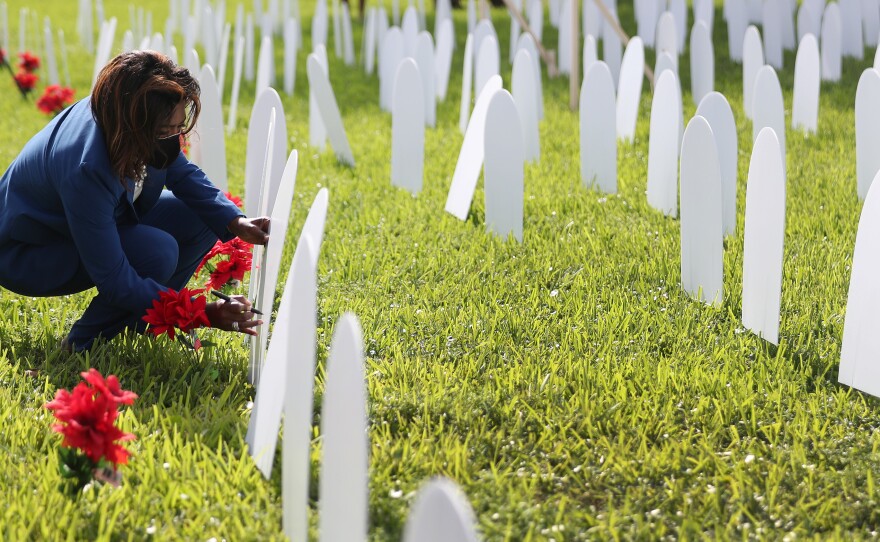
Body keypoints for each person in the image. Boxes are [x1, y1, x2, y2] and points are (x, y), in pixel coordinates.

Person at [0, 50, 270, 351]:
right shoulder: (87, 167)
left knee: (202, 218)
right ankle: (81, 344)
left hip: (89, 219)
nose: (174, 138)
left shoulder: (122, 115)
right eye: (165, 131)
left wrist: (236, 220)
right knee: (157, 251)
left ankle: (141, 322)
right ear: (135, 124)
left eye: (177, 129)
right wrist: (201, 313)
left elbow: (180, 172)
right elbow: (115, 279)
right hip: (31, 250)